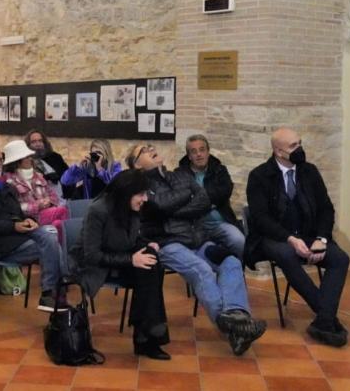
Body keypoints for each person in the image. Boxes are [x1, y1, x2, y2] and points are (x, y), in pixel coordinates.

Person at [127, 144, 266, 356]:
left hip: (197, 240)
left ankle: (236, 319)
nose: (151, 148)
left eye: (151, 146)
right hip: (167, 243)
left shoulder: (178, 175)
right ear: (136, 164)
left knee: (231, 261)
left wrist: (176, 209)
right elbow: (161, 205)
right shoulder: (139, 185)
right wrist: (184, 198)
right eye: (144, 150)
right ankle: (236, 326)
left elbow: (203, 199)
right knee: (201, 270)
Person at [245, 127, 350, 347]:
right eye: (293, 146)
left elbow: (325, 209)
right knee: (286, 254)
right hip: (274, 237)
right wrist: (290, 239)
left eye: (300, 143)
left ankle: (323, 320)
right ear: (278, 151)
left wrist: (321, 239)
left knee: (340, 258)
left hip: (310, 234)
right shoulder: (259, 176)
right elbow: (261, 218)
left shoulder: (309, 171)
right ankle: (327, 317)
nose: (299, 149)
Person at [76, 170, 170, 359]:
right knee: (150, 269)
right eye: (141, 194)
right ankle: (145, 337)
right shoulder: (98, 210)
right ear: (127, 192)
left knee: (152, 262)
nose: (145, 198)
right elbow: (92, 255)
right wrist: (131, 260)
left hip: (119, 259)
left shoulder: (130, 208)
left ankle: (144, 332)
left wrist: (146, 245)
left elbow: (130, 239)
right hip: (98, 266)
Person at [0, 144, 65, 311]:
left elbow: (16, 213)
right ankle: (54, 292)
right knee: (50, 245)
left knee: (50, 233)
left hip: (16, 235)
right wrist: (14, 226)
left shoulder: (5, 187)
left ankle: (52, 292)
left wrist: (28, 220)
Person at [176, 134, 244, 258]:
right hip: (193, 227)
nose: (199, 154)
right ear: (189, 156)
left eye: (202, 150)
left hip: (219, 224)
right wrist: (211, 203)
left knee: (239, 241)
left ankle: (235, 273)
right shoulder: (179, 174)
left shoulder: (219, 170)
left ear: (208, 152)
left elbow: (225, 191)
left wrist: (198, 202)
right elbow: (181, 200)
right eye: (194, 151)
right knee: (196, 254)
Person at [2, 140, 69, 235]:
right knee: (62, 211)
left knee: (58, 224)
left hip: (48, 213)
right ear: (17, 161)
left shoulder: (38, 175)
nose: (31, 159)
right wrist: (38, 205)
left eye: (30, 156)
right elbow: (15, 207)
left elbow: (54, 196)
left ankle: (59, 245)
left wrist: (49, 202)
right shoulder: (9, 180)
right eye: (27, 157)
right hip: (29, 219)